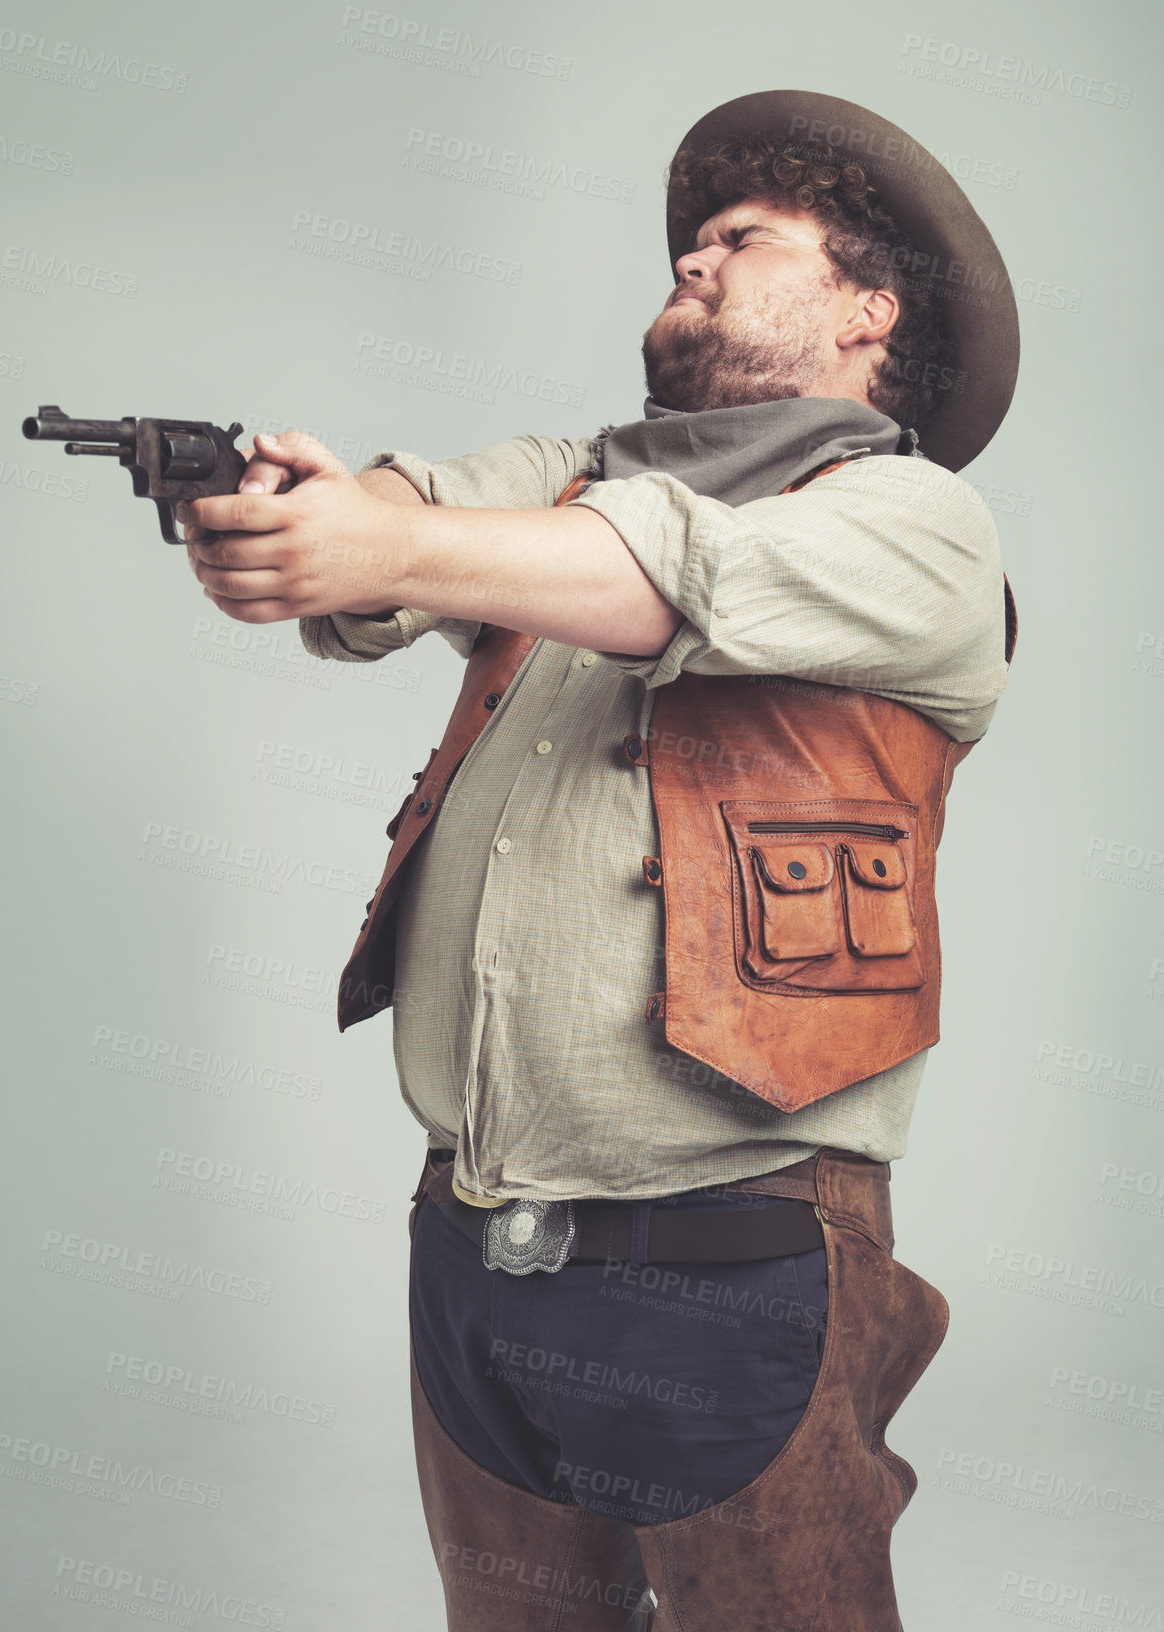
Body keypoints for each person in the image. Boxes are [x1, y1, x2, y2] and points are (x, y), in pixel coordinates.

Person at [179, 89, 1019, 1632]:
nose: (692, 259)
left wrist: (390, 547)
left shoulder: (918, 524)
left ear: (866, 310)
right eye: (687, 242)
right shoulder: (573, 480)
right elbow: (412, 521)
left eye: (741, 241)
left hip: (734, 1249)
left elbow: (666, 572)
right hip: (474, 1249)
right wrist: (316, 512)